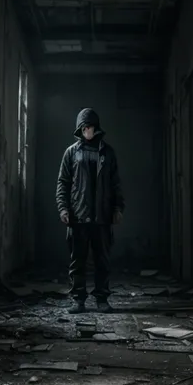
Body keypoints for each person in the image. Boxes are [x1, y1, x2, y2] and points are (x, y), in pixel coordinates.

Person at [56, 108, 124, 313]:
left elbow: (115, 184)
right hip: (78, 216)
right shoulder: (71, 152)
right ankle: (79, 300)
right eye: (83, 127)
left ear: (96, 128)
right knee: (78, 261)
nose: (87, 130)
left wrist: (118, 208)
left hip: (102, 217)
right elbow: (63, 183)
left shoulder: (107, 152)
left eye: (90, 127)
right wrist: (63, 209)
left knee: (102, 260)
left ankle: (102, 299)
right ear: (79, 129)